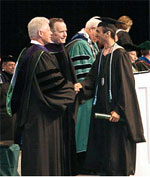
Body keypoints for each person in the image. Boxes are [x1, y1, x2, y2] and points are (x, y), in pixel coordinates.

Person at [74, 17, 146, 176]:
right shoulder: (101, 55)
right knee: (103, 153)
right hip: (100, 110)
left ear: (108, 34)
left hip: (114, 113)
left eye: (99, 32)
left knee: (116, 153)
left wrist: (119, 110)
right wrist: (82, 86)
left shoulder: (120, 54)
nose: (96, 36)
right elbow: (92, 79)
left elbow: (126, 86)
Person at [6, 17, 77, 176]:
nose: (51, 33)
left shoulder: (26, 53)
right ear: (40, 33)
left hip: (29, 113)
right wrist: (71, 90)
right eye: (48, 30)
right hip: (42, 116)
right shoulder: (42, 56)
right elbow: (53, 86)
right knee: (42, 157)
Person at [66, 16, 101, 174]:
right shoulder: (80, 44)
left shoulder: (89, 43)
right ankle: (83, 165)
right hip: (83, 98)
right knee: (82, 133)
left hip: (88, 97)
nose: (100, 36)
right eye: (98, 32)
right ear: (91, 29)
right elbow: (83, 74)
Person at [0, 55, 20, 176]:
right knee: (5, 152)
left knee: (12, 151)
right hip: (3, 122)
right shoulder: (2, 80)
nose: (13, 67)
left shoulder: (14, 79)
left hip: (13, 121)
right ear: (3, 66)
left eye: (14, 65)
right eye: (10, 65)